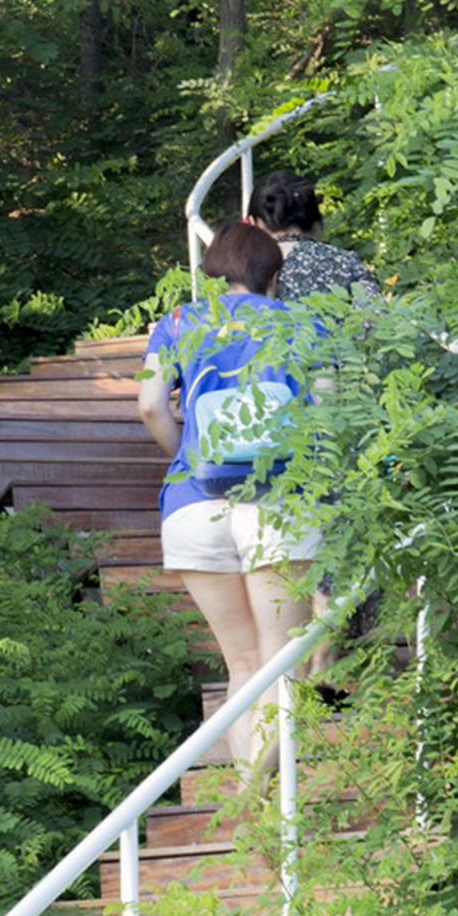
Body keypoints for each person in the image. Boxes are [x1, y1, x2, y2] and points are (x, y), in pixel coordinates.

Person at [137, 221, 327, 775]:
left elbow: (151, 406)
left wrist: (186, 458)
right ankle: (257, 797)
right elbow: (329, 415)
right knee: (283, 665)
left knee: (241, 664)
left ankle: (254, 802)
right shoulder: (303, 324)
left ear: (217, 270)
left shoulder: (175, 324)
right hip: (279, 504)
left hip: (194, 507)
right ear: (276, 273)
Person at [247, 170, 380, 304]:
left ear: (253, 223)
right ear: (316, 221)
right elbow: (374, 318)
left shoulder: (243, 272)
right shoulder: (346, 263)